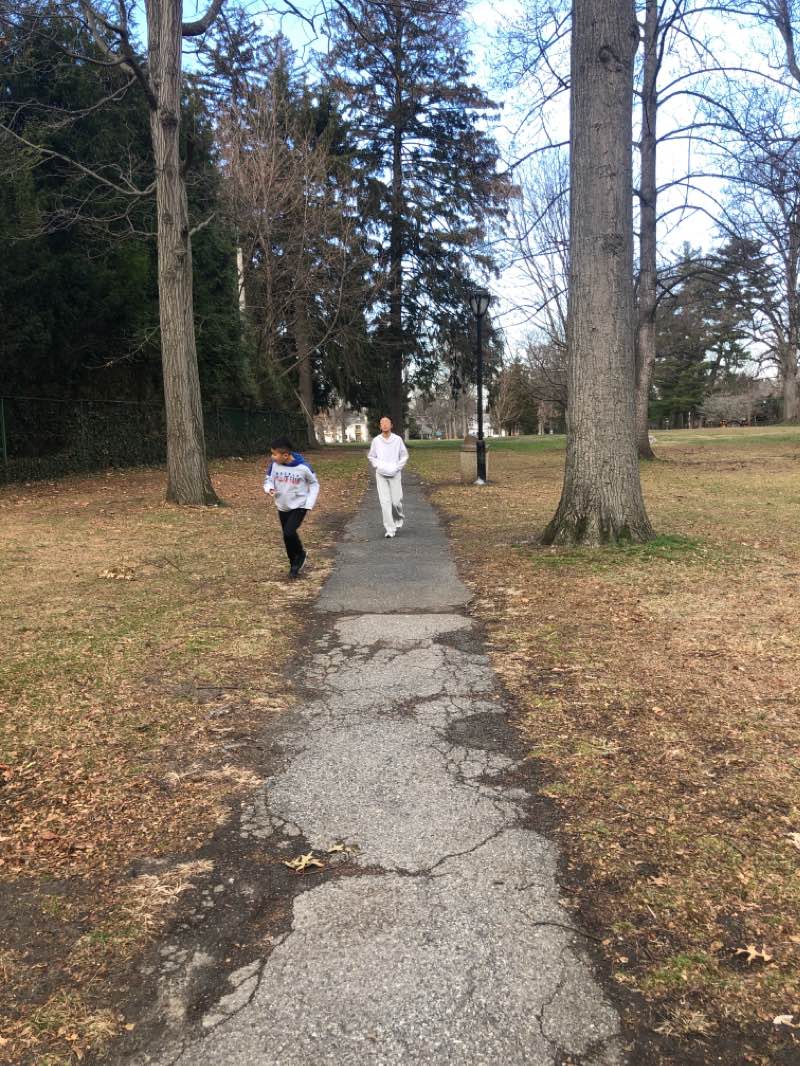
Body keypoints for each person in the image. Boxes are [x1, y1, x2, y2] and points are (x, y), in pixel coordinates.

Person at [263, 437, 319, 578]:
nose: (272, 457)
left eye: (275, 454)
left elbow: (314, 484)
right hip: (282, 505)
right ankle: (293, 563)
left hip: (300, 505)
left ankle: (300, 554)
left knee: (289, 532)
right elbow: (268, 480)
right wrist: (269, 488)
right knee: (287, 537)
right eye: (272, 453)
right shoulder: (274, 465)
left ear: (286, 455)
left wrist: (309, 503)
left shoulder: (303, 467)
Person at [367, 416, 408, 538]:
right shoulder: (376, 440)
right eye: (382, 423)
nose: (384, 425)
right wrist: (378, 465)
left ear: (391, 425)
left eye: (387, 423)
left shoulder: (397, 439)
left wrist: (397, 467)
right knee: (385, 502)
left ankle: (398, 517)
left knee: (396, 501)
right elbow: (372, 456)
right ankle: (390, 529)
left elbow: (404, 455)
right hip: (381, 475)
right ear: (380, 426)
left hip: (395, 473)